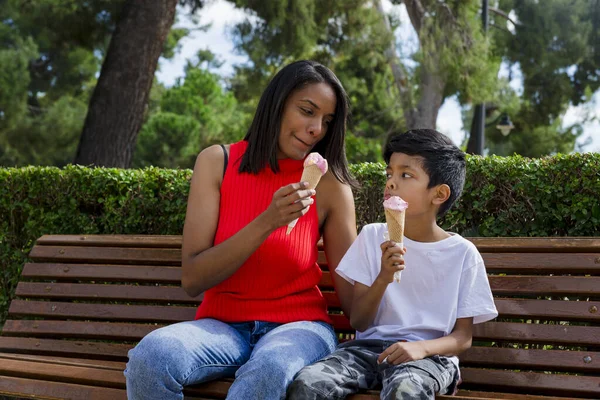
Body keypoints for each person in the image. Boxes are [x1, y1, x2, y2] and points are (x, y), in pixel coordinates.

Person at [123, 60, 358, 400]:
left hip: (299, 328)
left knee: (269, 369)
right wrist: (267, 222)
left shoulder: (331, 185)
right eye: (307, 111)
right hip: (222, 327)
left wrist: (387, 270)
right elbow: (193, 279)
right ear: (276, 104)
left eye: (327, 120)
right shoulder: (217, 162)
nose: (316, 129)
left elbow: (354, 298)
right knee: (150, 358)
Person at [288, 129, 498, 400]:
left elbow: (462, 338)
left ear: (439, 194)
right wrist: (383, 277)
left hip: (428, 358)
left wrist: (421, 348)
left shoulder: (462, 254)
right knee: (309, 383)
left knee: (405, 389)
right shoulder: (373, 236)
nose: (391, 183)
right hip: (366, 350)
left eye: (405, 175)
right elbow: (359, 319)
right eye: (389, 174)